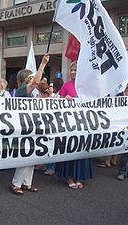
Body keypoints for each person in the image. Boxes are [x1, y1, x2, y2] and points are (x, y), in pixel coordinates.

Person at [10, 53, 50, 195]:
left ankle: (27, 183)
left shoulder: (31, 93)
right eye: (32, 77)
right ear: (26, 79)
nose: (35, 79)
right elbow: (35, 83)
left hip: (32, 126)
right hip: (23, 127)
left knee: (32, 155)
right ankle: (16, 183)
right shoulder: (22, 90)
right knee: (26, 155)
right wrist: (43, 64)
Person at [56, 61, 92, 189]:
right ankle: (69, 177)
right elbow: (57, 104)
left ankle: (78, 175)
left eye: (75, 70)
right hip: (69, 124)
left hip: (82, 124)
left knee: (81, 149)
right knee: (70, 148)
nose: (72, 72)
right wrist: (64, 100)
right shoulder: (66, 85)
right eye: (71, 70)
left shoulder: (86, 87)